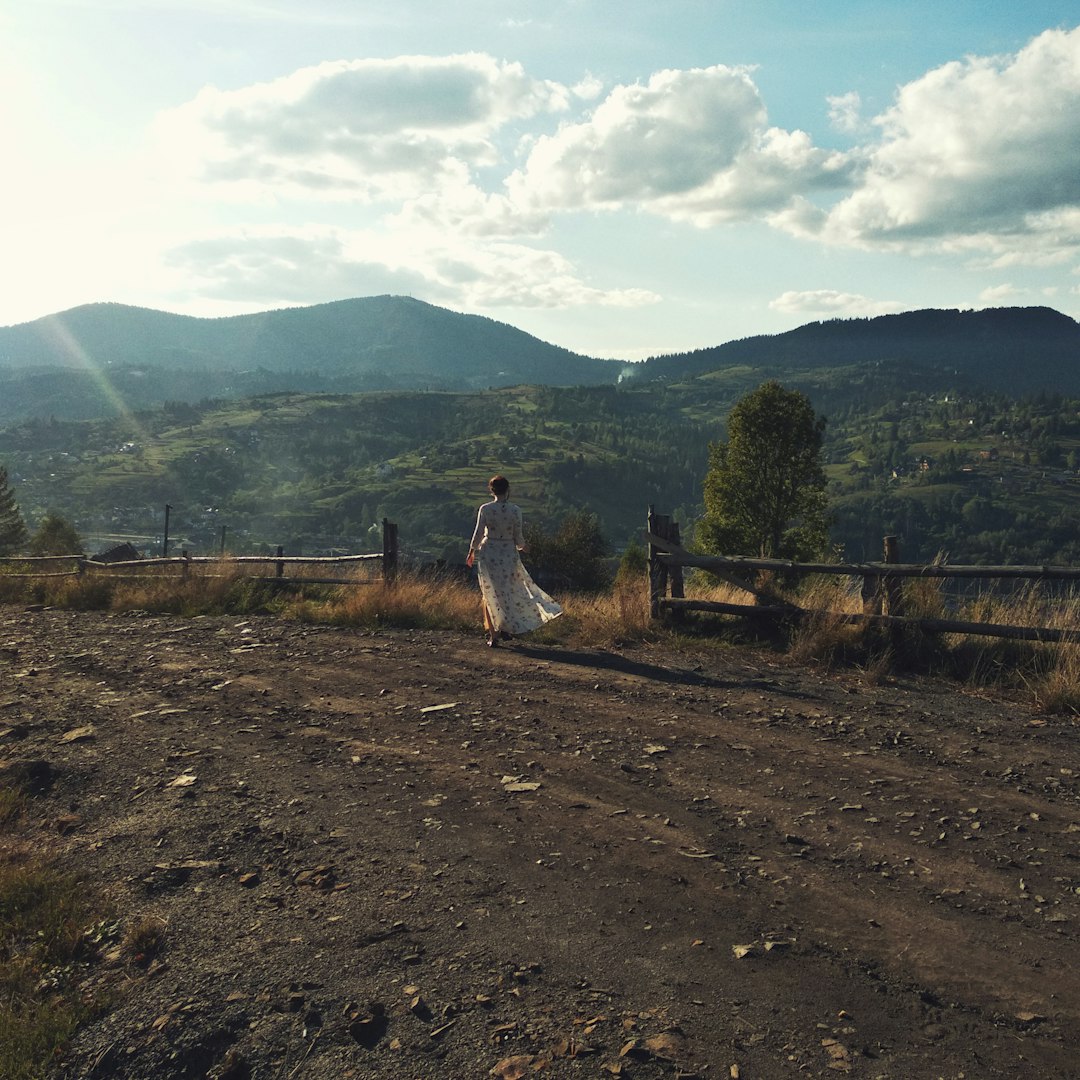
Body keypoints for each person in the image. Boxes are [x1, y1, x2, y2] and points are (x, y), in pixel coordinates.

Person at [466, 475, 562, 647]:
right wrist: (524, 547)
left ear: (491, 490)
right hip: (508, 553)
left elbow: (478, 533)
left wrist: (472, 550)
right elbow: (519, 539)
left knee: (490, 593)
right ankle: (507, 628)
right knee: (508, 591)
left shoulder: (485, 509)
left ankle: (493, 635)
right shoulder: (516, 510)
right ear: (508, 490)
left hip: (489, 552)